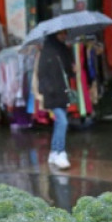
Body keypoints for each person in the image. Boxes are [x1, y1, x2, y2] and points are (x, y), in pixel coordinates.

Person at [36, 31, 74, 170]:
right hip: (52, 95)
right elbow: (41, 73)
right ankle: (60, 152)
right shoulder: (47, 51)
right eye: (61, 33)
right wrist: (48, 89)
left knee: (60, 122)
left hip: (62, 93)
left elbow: (69, 72)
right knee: (63, 122)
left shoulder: (64, 50)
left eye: (65, 33)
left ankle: (53, 153)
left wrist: (72, 68)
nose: (64, 35)